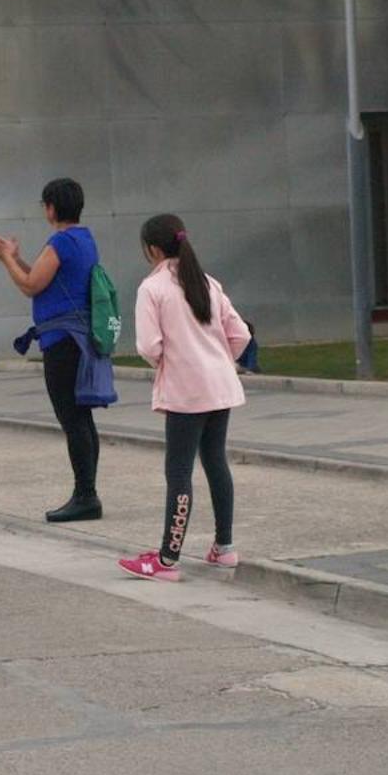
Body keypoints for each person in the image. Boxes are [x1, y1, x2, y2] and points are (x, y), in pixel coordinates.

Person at [116, 215, 251, 581]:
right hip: (220, 387)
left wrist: (170, 362)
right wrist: (219, 359)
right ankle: (224, 548)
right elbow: (239, 335)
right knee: (215, 462)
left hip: (185, 391)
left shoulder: (153, 288)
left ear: (153, 249)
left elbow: (148, 345)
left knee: (178, 471)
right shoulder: (207, 282)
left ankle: (167, 559)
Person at [0, 177, 106, 523]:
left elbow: (31, 286)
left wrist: (5, 258)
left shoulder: (60, 242)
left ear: (50, 208)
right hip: (78, 339)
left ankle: (86, 495)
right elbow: (46, 281)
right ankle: (87, 492)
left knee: (73, 419)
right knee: (82, 418)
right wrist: (16, 257)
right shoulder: (83, 239)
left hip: (63, 343)